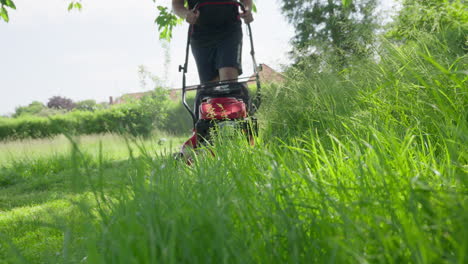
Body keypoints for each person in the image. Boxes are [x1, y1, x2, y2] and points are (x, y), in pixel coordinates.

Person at [172, 0, 254, 84]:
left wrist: (247, 10)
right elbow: (176, 4)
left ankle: (233, 94)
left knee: (228, 79)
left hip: (229, 30)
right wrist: (186, 14)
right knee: (210, 87)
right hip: (201, 36)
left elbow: (246, 1)